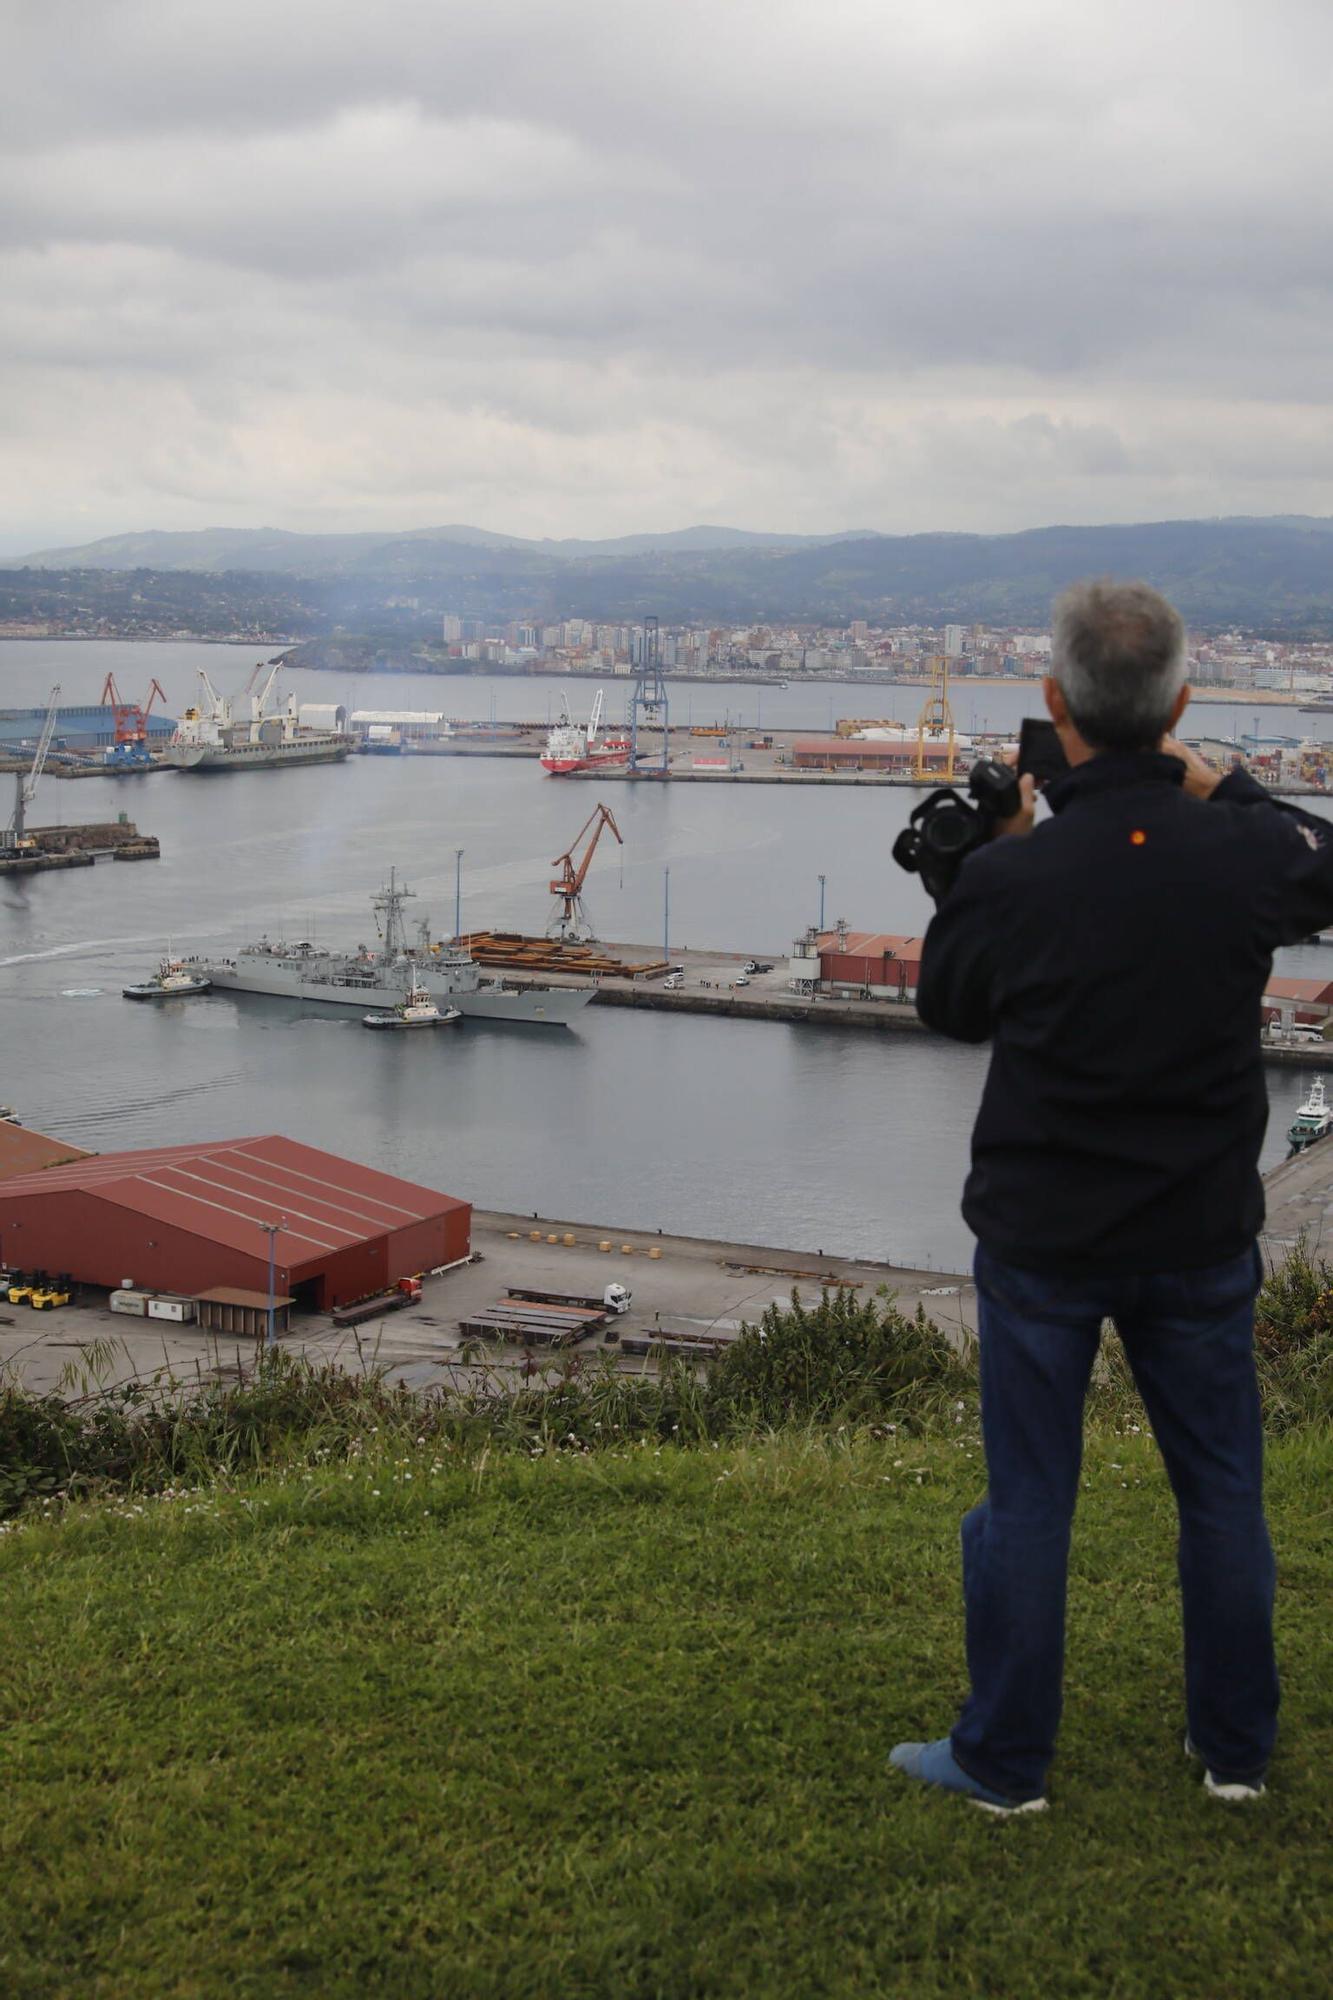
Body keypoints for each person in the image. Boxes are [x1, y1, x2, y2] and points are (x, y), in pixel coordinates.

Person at [889, 578, 1333, 1816]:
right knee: (1221, 1495)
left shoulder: (1017, 874)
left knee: (1028, 1500)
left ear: (1053, 706)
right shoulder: (1242, 851)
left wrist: (981, 873)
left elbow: (948, 1008)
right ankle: (1235, 1750)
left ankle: (1004, 1760)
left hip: (1042, 1234)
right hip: (1196, 1227)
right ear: (1181, 705)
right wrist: (1220, 785)